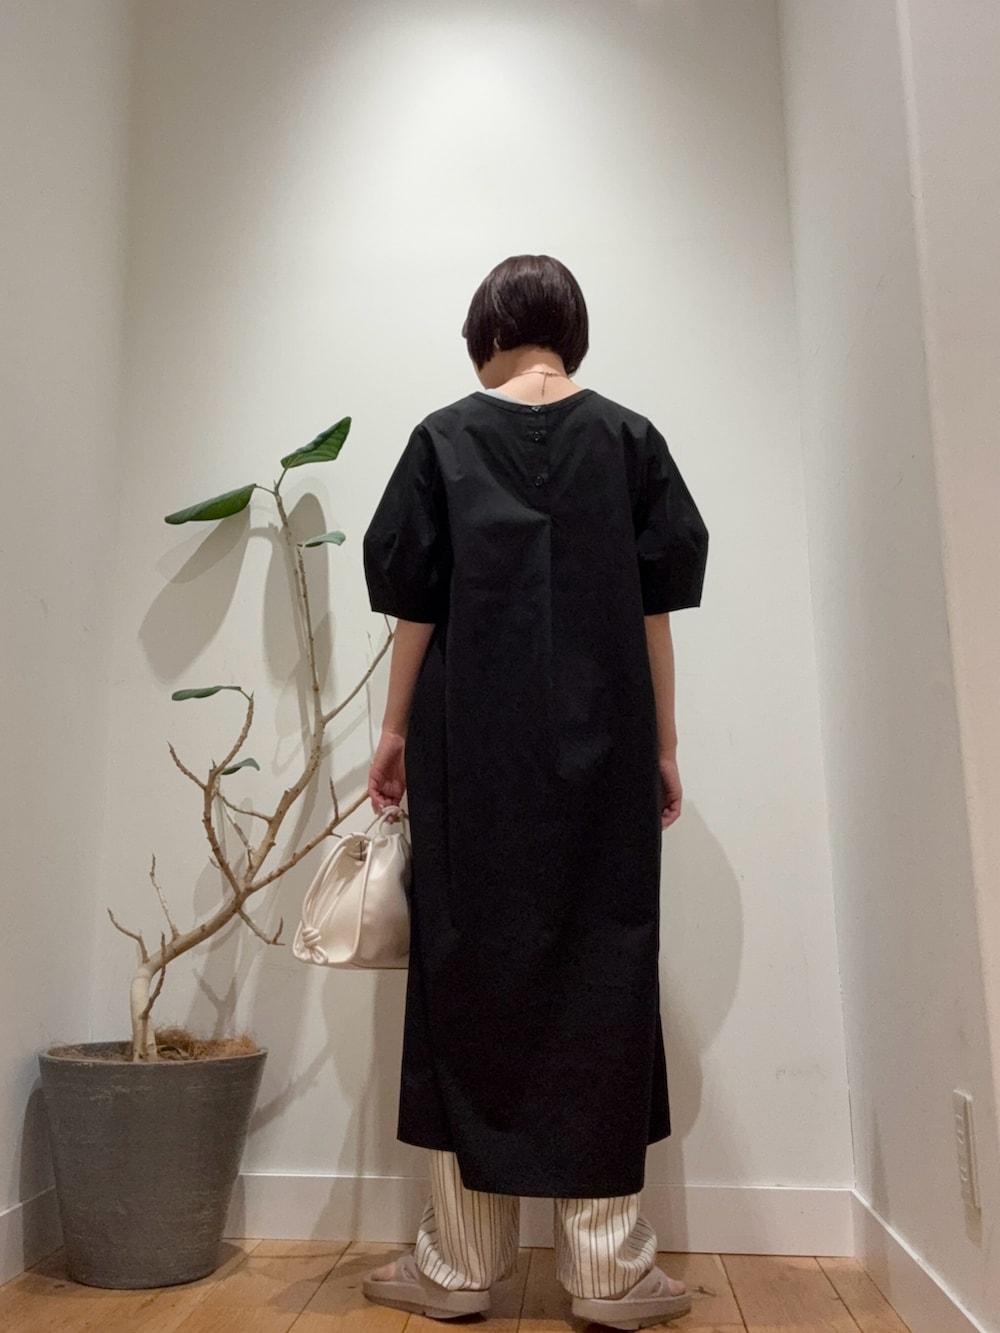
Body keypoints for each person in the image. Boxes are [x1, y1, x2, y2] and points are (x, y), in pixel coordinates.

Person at [360, 255, 708, 1328]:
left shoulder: (443, 438)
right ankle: (607, 1273)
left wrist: (391, 731)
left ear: (486, 334)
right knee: (606, 966)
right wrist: (664, 744)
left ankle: (461, 1264)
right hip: (607, 751)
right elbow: (652, 614)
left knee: (468, 967)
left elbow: (416, 609)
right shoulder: (631, 439)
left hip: (473, 754)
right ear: (571, 332)